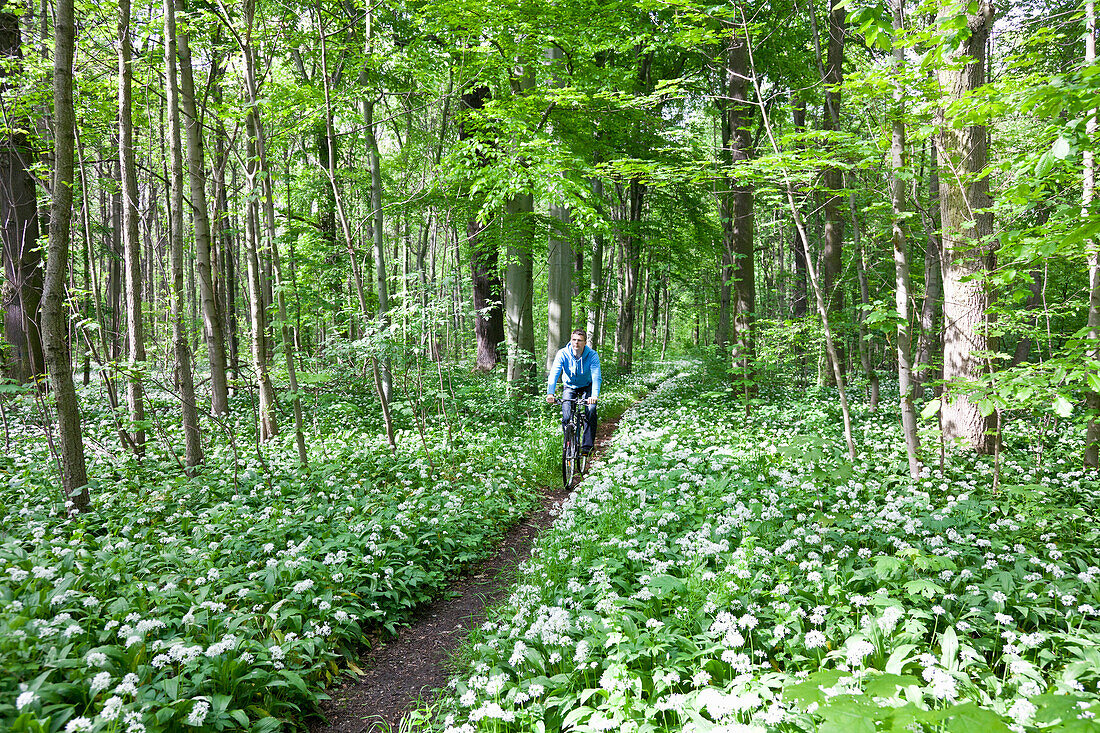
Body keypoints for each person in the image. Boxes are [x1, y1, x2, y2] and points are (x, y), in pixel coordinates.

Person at [546, 329, 601, 455]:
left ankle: (587, 446)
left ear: (585, 342)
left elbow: (596, 376)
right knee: (566, 415)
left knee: (591, 410)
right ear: (571, 340)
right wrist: (550, 393)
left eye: (580, 340)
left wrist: (594, 395)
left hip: (587, 386)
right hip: (570, 386)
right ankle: (570, 443)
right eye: (574, 340)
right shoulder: (563, 353)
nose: (576, 343)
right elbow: (554, 373)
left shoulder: (592, 355)